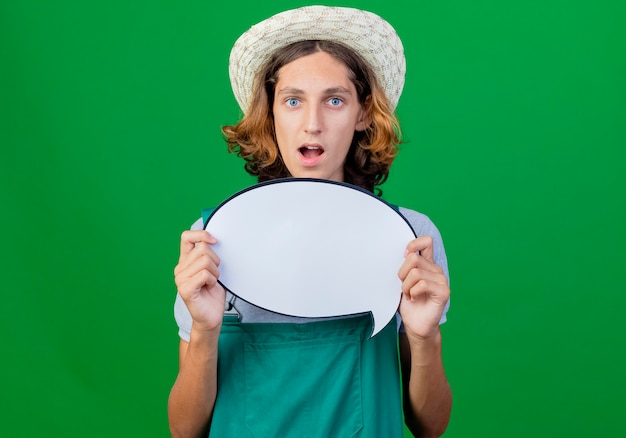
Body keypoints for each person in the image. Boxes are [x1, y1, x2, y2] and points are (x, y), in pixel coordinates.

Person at [168, 6, 452, 438]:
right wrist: (205, 329)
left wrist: (424, 335)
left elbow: (430, 426)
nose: (312, 124)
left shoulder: (411, 240)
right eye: (293, 100)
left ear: (362, 115)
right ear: (272, 113)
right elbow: (184, 430)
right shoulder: (214, 239)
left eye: (335, 100)